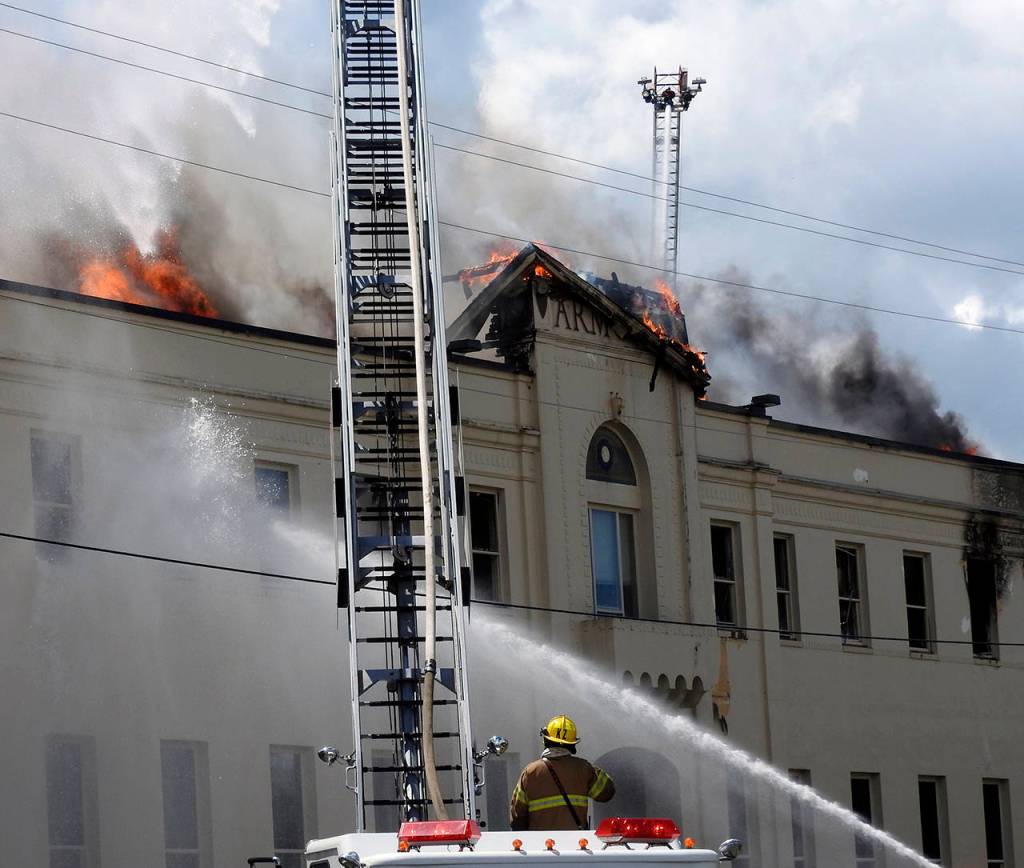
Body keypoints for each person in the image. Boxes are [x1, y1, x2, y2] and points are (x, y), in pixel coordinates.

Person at [509, 714, 615, 831]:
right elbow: (607, 793)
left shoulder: (530, 772)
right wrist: (588, 769)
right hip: (577, 844)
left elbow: (517, 817)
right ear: (572, 744)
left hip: (541, 844)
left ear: (546, 740)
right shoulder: (584, 768)